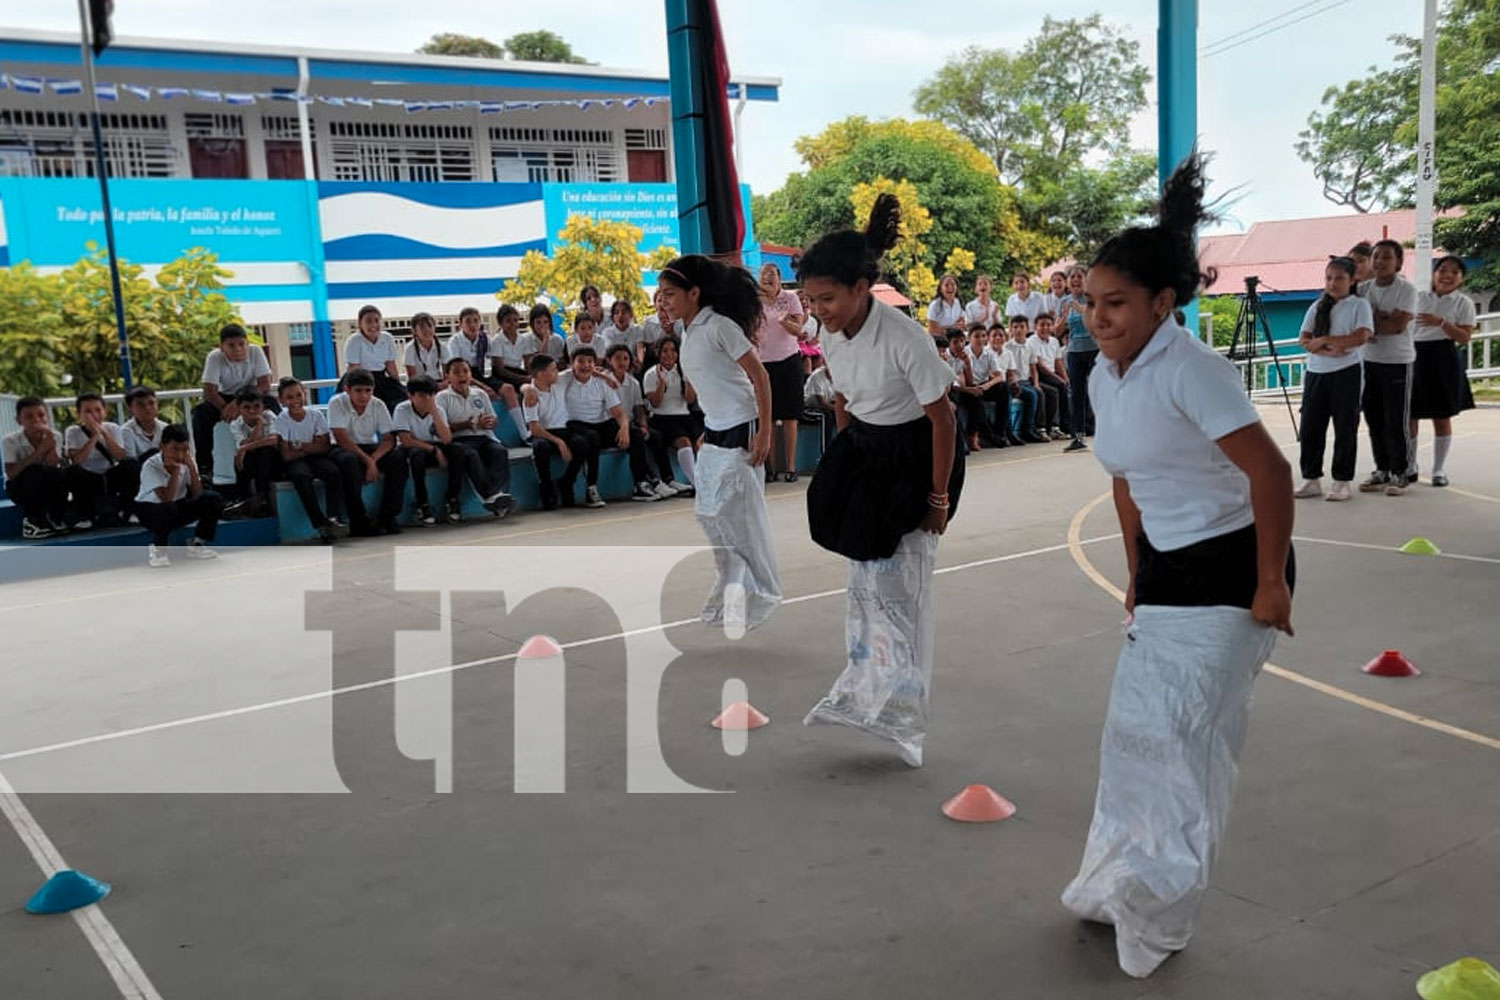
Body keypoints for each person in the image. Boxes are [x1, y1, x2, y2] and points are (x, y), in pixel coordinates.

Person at [1058, 153, 1295, 979]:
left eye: (1116, 303)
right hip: (1163, 570)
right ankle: (1117, 878)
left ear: (1165, 302)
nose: (1098, 318)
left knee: (1188, 747)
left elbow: (1270, 473)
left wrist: (1269, 583)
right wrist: (1133, 570)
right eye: (1090, 303)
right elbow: (1126, 482)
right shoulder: (1106, 380)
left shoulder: (1195, 370)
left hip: (1230, 569)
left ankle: (1159, 912)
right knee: (1134, 739)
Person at [799, 192, 964, 769]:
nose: (820, 310)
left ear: (861, 287)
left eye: (828, 298)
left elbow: (941, 417)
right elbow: (842, 396)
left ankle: (905, 717)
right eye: (811, 300)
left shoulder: (904, 337)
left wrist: (936, 499)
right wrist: (847, 458)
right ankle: (861, 691)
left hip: (917, 453)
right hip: (867, 447)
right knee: (866, 579)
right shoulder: (830, 334)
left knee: (905, 585)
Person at [657, 254, 781, 631]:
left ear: (694, 293)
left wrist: (764, 432)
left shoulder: (720, 326)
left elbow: (760, 377)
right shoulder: (687, 330)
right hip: (715, 429)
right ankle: (730, 587)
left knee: (742, 517)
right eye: (660, 294)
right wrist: (706, 428)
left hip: (744, 424)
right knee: (709, 512)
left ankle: (763, 590)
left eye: (671, 293)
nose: (664, 301)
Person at [1295, 257, 1372, 502]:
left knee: (1345, 426)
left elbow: (1360, 336)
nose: (1333, 283)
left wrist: (1325, 339)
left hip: (1346, 372)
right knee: (1310, 427)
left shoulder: (1359, 305)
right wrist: (1325, 347)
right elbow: (1305, 339)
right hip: (1316, 373)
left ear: (1352, 280)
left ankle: (1341, 480)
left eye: (1339, 278)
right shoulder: (1317, 306)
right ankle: (1311, 477)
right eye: (1329, 278)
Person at [556, 347, 660, 505]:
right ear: (572, 363)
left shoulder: (602, 383)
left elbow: (618, 413)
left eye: (590, 361)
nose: (585, 365)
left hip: (602, 424)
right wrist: (527, 389)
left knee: (636, 434)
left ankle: (640, 483)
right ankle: (591, 488)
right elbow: (538, 381)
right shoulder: (564, 379)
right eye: (581, 361)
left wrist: (624, 429)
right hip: (577, 425)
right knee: (592, 438)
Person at [1409, 256, 1477, 487]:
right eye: (1442, 270)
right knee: (1410, 414)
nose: (1447, 276)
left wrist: (1441, 323)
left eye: (1454, 272)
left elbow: (1465, 337)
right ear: (1433, 274)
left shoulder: (1463, 303)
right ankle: (1409, 465)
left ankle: (1438, 470)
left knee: (1442, 415)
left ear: (1461, 278)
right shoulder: (1418, 298)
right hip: (1415, 357)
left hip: (1444, 357)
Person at [1358, 239, 1419, 495]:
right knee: (1373, 418)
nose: (1380, 262)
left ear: (1398, 263)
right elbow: (1358, 324)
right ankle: (1381, 469)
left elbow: (1397, 326)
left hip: (1398, 362)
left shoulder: (1406, 290)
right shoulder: (1362, 289)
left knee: (1396, 420)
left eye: (1386, 257)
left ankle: (1401, 472)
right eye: (1376, 257)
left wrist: (1374, 322)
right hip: (1369, 361)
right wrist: (1380, 318)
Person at [327, 369, 408, 536]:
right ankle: (358, 520)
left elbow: (388, 439)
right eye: (358, 391)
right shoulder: (336, 403)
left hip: (370, 448)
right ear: (347, 390)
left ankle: (388, 516)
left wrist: (374, 458)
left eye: (368, 391)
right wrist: (369, 462)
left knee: (398, 457)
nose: (363, 396)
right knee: (349, 463)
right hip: (344, 448)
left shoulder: (378, 404)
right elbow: (342, 439)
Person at [434, 358, 517, 522]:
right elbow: (442, 428)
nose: (462, 375)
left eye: (465, 371)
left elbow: (492, 417)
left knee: (499, 451)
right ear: (447, 376)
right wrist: (467, 423)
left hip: (482, 437)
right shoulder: (442, 398)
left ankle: (498, 493)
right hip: (457, 440)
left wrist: (490, 422)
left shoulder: (480, 394)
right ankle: (489, 495)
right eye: (456, 372)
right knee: (470, 455)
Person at [192, 323, 274, 477]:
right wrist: (227, 408)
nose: (238, 349)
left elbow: (265, 384)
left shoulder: (256, 351)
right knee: (201, 413)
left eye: (241, 344)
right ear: (222, 347)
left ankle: (280, 452)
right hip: (224, 398)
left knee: (272, 404)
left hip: (250, 394)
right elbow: (210, 391)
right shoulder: (214, 357)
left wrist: (239, 405)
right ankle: (205, 467)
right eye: (231, 345)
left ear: (247, 343)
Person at [605, 343, 688, 497]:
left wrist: (643, 425)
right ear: (609, 361)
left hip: (630, 424)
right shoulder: (604, 381)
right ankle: (645, 482)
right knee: (636, 438)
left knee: (655, 436)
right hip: (611, 424)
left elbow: (639, 409)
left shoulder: (633, 383)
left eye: (625, 358)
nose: (622, 362)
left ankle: (668, 478)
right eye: (617, 359)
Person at [135, 424, 223, 568]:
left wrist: (192, 468)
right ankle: (158, 550)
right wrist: (176, 471)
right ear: (162, 446)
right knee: (168, 508)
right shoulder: (150, 465)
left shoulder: (186, 461)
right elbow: (166, 498)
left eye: (184, 449)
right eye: (175, 449)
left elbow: (197, 493)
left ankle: (197, 543)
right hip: (150, 510)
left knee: (212, 499)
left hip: (176, 506)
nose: (180, 455)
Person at [274, 376, 348, 543]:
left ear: (304, 394)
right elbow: (287, 455)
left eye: (298, 395)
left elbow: (325, 447)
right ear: (282, 400)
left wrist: (299, 446)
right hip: (297, 462)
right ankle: (319, 523)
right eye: (289, 397)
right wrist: (312, 445)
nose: (295, 400)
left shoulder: (316, 415)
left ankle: (333, 517)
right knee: (301, 477)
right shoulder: (282, 419)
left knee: (333, 472)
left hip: (316, 458)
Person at [754, 262, 809, 483]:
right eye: (763, 275)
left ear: (779, 278)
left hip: (788, 359)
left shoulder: (790, 298)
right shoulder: (754, 302)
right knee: (768, 415)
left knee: (789, 416)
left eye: (771, 275)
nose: (766, 279)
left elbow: (799, 331)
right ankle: (771, 467)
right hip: (763, 362)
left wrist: (784, 319)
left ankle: (791, 466)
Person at [521, 355, 593, 510]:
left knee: (581, 444)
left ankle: (567, 482)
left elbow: (583, 369)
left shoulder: (560, 381)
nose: (557, 372)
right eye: (553, 370)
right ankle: (546, 488)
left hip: (563, 429)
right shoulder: (531, 395)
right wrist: (557, 441)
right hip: (542, 433)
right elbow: (534, 427)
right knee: (541, 448)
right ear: (540, 374)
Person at [394, 377, 467, 527]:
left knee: (458, 451)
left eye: (430, 395)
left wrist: (434, 412)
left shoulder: (438, 410)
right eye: (421, 395)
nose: (427, 399)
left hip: (435, 445)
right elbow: (406, 440)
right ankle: (422, 504)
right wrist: (434, 450)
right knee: (417, 457)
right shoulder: (402, 409)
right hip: (415, 448)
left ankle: (452, 499)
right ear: (411, 396)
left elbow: (446, 439)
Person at [65, 391, 139, 527]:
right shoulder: (73, 431)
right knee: (72, 471)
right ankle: (84, 516)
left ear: (105, 412)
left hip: (109, 475)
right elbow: (76, 460)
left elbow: (120, 456)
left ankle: (129, 510)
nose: (94, 415)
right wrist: (94, 436)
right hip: (88, 477)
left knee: (131, 465)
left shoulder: (113, 428)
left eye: (98, 410)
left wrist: (103, 433)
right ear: (79, 414)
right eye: (88, 411)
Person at [4, 396, 70, 538]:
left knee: (60, 473)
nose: (36, 420)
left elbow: (53, 465)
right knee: (32, 472)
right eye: (29, 416)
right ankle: (33, 521)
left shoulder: (55, 436)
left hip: (46, 485)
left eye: (41, 415)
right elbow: (11, 473)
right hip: (20, 487)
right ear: (19, 420)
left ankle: (56, 518)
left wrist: (51, 447)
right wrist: (39, 451)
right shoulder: (9, 441)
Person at [642, 334, 701, 491]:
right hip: (662, 418)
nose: (669, 355)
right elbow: (655, 403)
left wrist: (688, 380)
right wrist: (661, 383)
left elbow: (689, 400)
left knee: (702, 441)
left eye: (673, 351)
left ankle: (709, 478)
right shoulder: (651, 374)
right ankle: (697, 483)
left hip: (684, 415)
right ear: (658, 353)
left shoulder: (682, 371)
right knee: (684, 442)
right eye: (665, 351)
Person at [1060, 266, 1097, 451]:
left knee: (1098, 390)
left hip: (1095, 349)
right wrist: (1061, 320)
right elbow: (1059, 331)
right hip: (1074, 351)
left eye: (1078, 276)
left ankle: (1107, 431)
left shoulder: (1093, 299)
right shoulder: (1065, 301)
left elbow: (1098, 320)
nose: (1075, 280)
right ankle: (1078, 436)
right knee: (1076, 394)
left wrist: (1082, 310)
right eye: (1071, 277)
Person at [344, 304, 409, 411]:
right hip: (360, 379)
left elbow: (390, 365)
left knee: (402, 399)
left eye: (376, 320)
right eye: (368, 321)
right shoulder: (354, 340)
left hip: (381, 378)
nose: (373, 324)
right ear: (360, 324)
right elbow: (353, 368)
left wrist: (397, 384)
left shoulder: (387, 338)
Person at [229, 387, 281, 518]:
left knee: (265, 451)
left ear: (263, 406)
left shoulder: (269, 416)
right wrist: (258, 425)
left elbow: (274, 440)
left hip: (273, 461)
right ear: (239, 408)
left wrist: (244, 448)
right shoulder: (236, 424)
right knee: (243, 458)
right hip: (252, 461)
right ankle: (244, 499)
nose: (252, 411)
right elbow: (247, 447)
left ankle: (261, 497)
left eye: (257, 406)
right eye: (247, 407)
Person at [486, 305, 532, 442]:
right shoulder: (497, 341)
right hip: (502, 374)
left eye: (515, 320)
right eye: (508, 321)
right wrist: (523, 378)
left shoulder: (523, 340)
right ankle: (524, 433)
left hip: (518, 372)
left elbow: (528, 364)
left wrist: (530, 378)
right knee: (509, 389)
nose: (513, 324)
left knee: (534, 388)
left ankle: (538, 427)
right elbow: (500, 369)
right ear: (501, 323)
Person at [1006, 317, 1051, 443]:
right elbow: (1007, 370)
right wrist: (1013, 382)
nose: (1018, 330)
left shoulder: (1030, 346)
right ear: (1011, 329)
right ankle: (1027, 429)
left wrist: (1036, 383)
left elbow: (1033, 368)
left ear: (1027, 328)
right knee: (1031, 395)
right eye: (1015, 327)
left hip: (1027, 381)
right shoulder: (1007, 347)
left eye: (1021, 327)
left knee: (1041, 392)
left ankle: (1039, 428)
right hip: (1014, 382)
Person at [1030, 314, 1072, 439]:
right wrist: (1058, 378)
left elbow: (1058, 362)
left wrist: (1065, 378)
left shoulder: (1054, 341)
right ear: (1035, 327)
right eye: (1042, 325)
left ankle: (1064, 425)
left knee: (1065, 387)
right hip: (1038, 374)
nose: (1045, 328)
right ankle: (1051, 426)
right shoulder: (1032, 341)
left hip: (1052, 375)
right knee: (1055, 389)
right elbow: (1039, 365)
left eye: (1048, 325)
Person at [447, 307, 495, 393]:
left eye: (476, 321)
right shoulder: (455, 341)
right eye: (468, 321)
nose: (472, 325)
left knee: (505, 388)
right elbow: (457, 369)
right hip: (462, 375)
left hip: (480, 373)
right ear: (461, 324)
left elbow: (492, 358)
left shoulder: (485, 338)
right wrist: (482, 386)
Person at [403, 312, 450, 386]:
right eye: (422, 327)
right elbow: (412, 376)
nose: (427, 330)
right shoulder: (409, 348)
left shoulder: (442, 346)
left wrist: (443, 385)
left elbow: (447, 373)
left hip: (439, 382)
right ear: (414, 331)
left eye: (430, 326)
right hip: (419, 384)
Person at [120, 385, 164, 461]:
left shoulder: (165, 428)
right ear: (130, 408)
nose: (147, 408)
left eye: (151, 403)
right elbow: (131, 463)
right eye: (140, 405)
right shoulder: (126, 431)